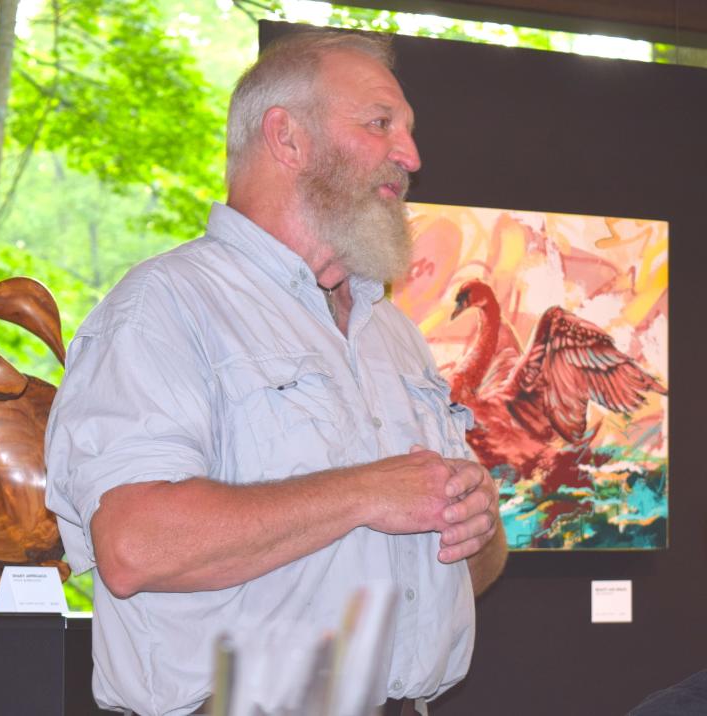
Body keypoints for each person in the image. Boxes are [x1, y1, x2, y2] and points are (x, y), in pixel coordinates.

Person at [45, 27, 507, 716]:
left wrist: (481, 524)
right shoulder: (165, 310)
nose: (409, 156)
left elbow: (469, 567)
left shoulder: (393, 335)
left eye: (406, 132)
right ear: (287, 138)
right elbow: (135, 545)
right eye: (380, 124)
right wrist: (363, 492)